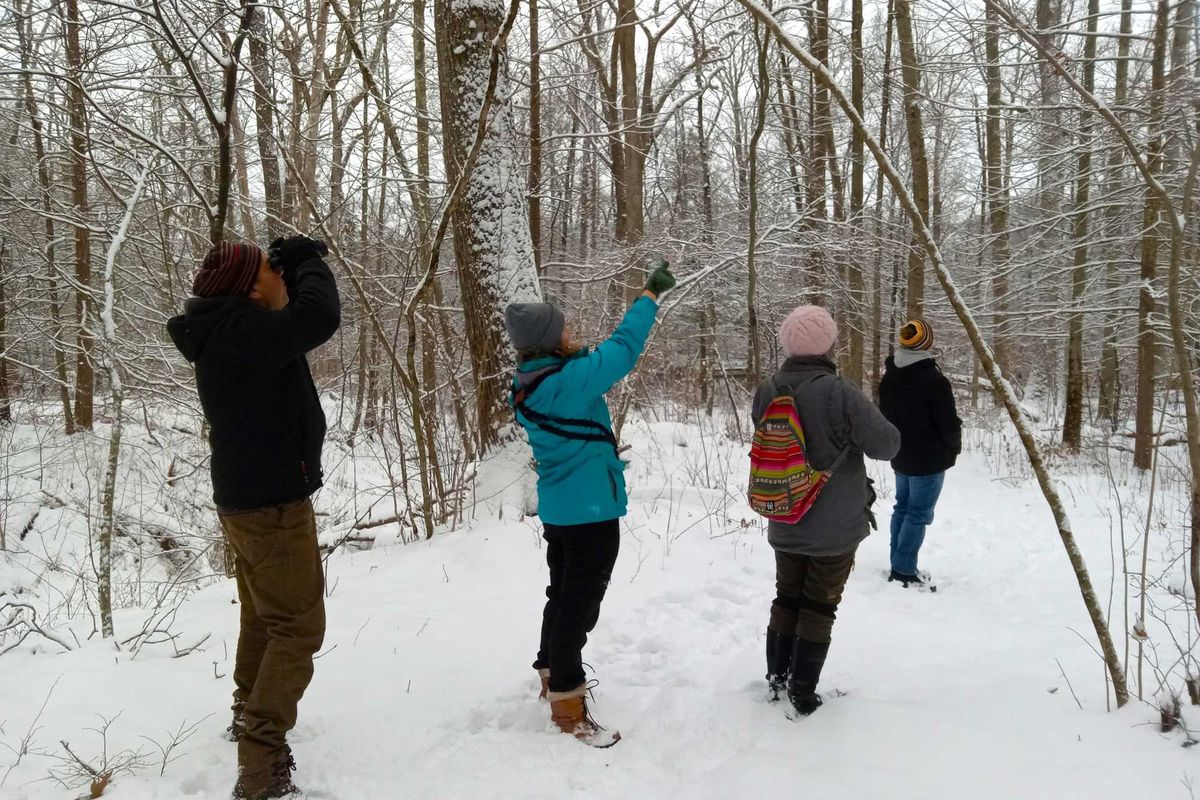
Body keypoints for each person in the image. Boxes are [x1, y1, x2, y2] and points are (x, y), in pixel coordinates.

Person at [167, 236, 340, 800]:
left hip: (246, 498)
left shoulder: (228, 329)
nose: (279, 277)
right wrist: (308, 262)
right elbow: (317, 317)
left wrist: (285, 268)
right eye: (270, 271)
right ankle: (262, 764)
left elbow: (293, 319)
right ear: (248, 286)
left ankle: (248, 711)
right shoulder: (241, 334)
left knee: (266, 616)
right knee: (298, 627)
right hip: (271, 505)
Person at [504, 262, 676, 748]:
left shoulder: (532, 380)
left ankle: (548, 670)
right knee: (578, 607)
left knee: (561, 596)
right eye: (564, 328)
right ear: (550, 339)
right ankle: (567, 702)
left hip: (562, 511)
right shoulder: (568, 381)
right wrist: (648, 297)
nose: (572, 332)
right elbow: (623, 349)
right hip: (590, 514)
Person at [753, 305, 899, 716]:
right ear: (828, 345)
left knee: (787, 596)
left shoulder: (769, 389)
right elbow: (887, 446)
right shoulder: (841, 392)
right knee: (819, 604)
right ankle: (803, 690)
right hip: (834, 526)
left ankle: (776, 677)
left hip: (783, 511)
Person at [878, 318, 962, 589]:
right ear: (927, 343)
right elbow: (948, 424)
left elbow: (885, 416)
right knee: (917, 514)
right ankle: (903, 569)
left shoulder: (889, 377)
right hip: (928, 461)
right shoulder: (935, 381)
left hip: (900, 456)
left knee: (902, 508)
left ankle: (898, 562)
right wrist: (953, 448)